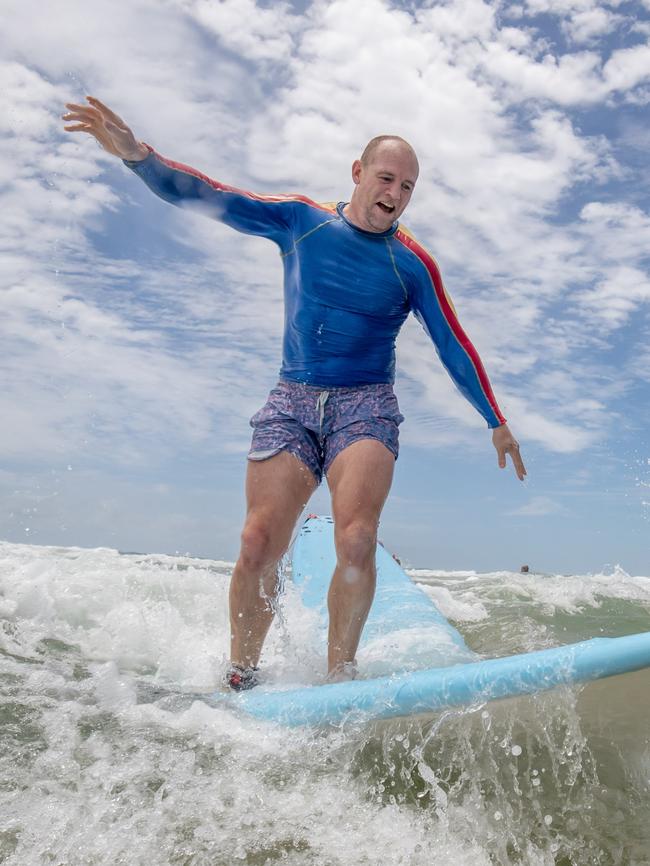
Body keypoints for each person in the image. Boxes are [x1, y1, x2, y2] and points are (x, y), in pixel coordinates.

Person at [62, 96, 527, 689]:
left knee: (357, 537)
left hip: (366, 403)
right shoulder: (301, 221)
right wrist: (138, 156)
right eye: (387, 178)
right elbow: (211, 196)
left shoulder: (413, 265)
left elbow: (452, 343)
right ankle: (242, 675)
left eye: (408, 187)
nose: (396, 193)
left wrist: (495, 418)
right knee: (258, 540)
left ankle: (340, 681)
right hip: (293, 398)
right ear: (357, 173)